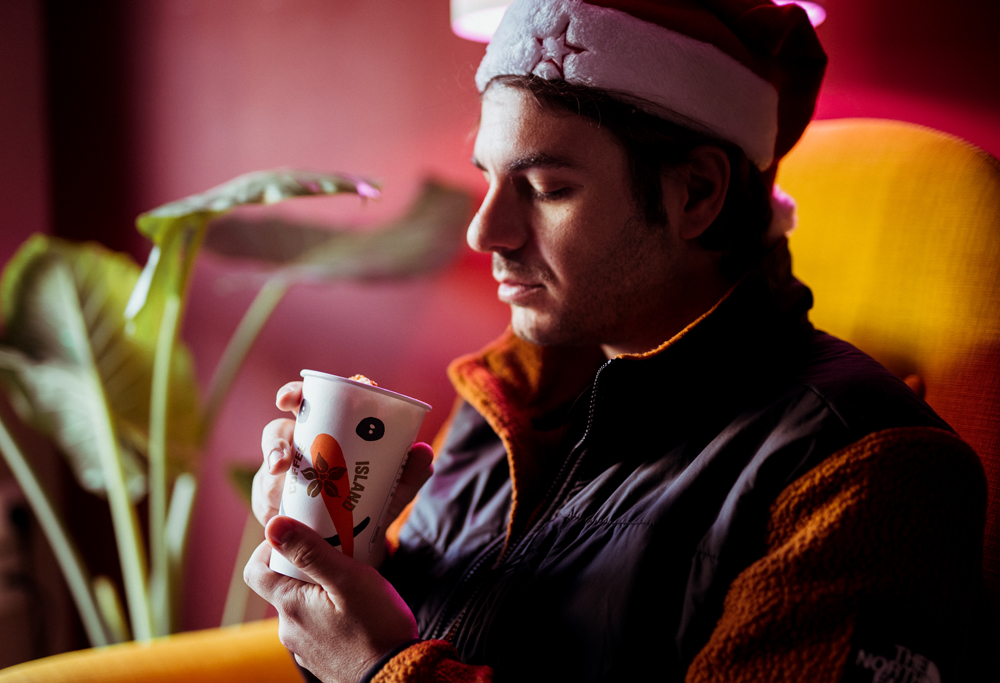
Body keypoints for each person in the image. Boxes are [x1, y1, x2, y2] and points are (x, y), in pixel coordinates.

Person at [244, 1, 988, 682]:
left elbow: (391, 663)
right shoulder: (507, 400)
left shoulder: (872, 472)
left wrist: (384, 668)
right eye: (489, 178)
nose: (485, 232)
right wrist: (350, 566)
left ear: (696, 193)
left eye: (545, 188)